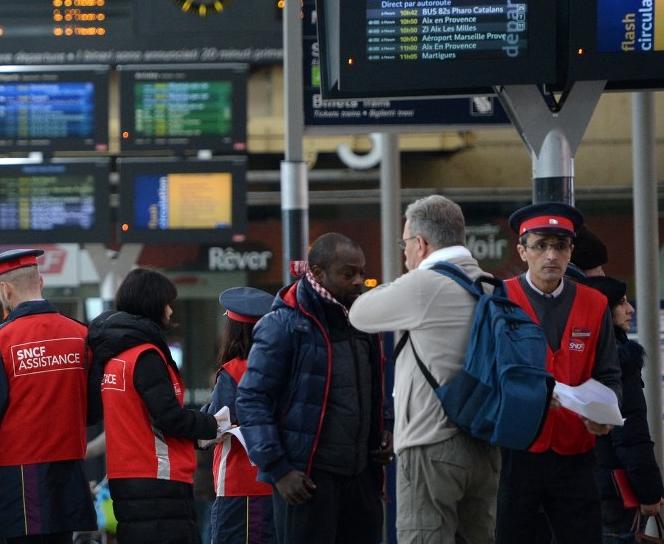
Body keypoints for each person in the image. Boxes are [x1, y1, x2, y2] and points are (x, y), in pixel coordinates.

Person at [348, 195, 499, 544]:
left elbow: (360, 314)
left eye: (405, 243)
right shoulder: (489, 284)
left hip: (431, 443)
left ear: (421, 243)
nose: (404, 254)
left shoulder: (422, 285)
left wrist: (404, 280)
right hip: (486, 444)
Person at [235, 233, 391, 544]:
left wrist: (385, 426)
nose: (359, 281)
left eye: (361, 272)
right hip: (306, 479)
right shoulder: (284, 323)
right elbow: (252, 399)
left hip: (360, 476)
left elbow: (375, 387)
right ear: (318, 273)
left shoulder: (363, 322)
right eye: (348, 274)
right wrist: (278, 470)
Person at [495, 202, 621, 544]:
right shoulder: (499, 300)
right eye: (540, 245)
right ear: (523, 251)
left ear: (571, 252)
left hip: (576, 452)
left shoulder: (594, 304)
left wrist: (607, 415)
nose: (551, 255)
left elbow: (609, 373)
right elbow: (488, 375)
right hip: (517, 453)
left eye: (560, 246)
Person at [0, 249, 97, 544]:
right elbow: (93, 409)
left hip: (21, 482)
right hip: (69, 475)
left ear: (5, 289)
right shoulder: (81, 335)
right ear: (41, 281)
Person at [87, 267, 219, 544]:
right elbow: (168, 417)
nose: (170, 312)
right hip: (159, 480)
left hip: (125, 478)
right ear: (152, 305)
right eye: (166, 304)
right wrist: (213, 425)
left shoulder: (113, 358)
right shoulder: (146, 356)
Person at [576, 275, 664, 542]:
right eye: (621, 303)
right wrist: (650, 492)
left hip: (578, 486)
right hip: (614, 494)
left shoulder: (577, 355)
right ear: (603, 311)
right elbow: (630, 434)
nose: (630, 309)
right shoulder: (618, 360)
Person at [202, 286, 277, 544]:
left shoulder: (233, 371)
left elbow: (215, 424)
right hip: (279, 482)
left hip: (240, 485)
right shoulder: (282, 366)